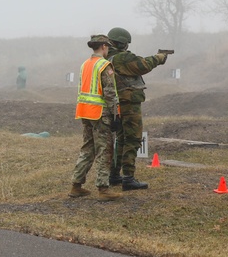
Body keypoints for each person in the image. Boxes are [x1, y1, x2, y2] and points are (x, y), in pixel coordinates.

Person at [107, 27, 168, 191]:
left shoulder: (107, 57)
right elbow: (143, 65)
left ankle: (114, 175)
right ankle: (128, 177)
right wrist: (159, 58)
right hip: (128, 102)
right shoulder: (121, 58)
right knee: (133, 139)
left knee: (121, 139)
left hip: (116, 103)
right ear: (123, 43)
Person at [69, 35, 121, 201]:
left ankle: (76, 186)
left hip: (85, 112)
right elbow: (110, 93)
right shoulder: (104, 65)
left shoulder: (85, 64)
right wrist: (116, 115)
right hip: (100, 114)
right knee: (104, 150)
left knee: (87, 149)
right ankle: (103, 189)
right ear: (104, 46)